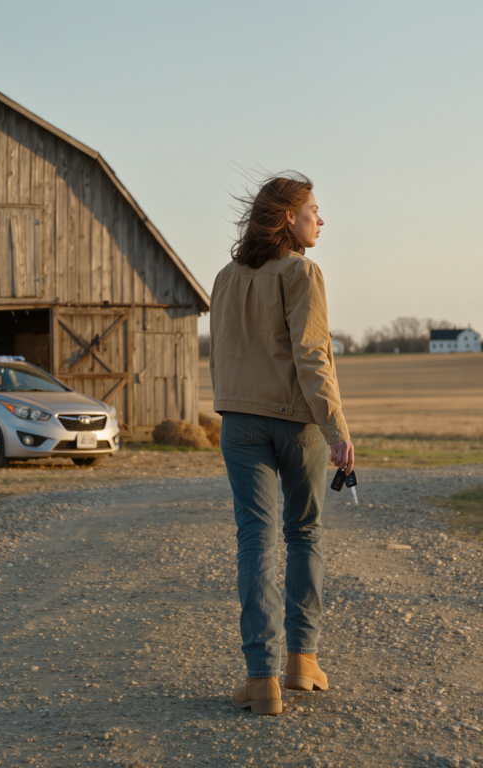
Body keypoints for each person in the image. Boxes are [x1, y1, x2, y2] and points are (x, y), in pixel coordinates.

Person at [209, 173, 355, 716]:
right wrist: (337, 430)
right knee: (305, 534)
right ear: (288, 219)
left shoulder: (225, 277)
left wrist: (230, 404)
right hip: (297, 423)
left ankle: (260, 678)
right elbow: (313, 356)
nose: (321, 219)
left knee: (254, 540)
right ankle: (302, 661)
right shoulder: (303, 272)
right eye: (314, 210)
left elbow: (219, 355)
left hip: (238, 422)